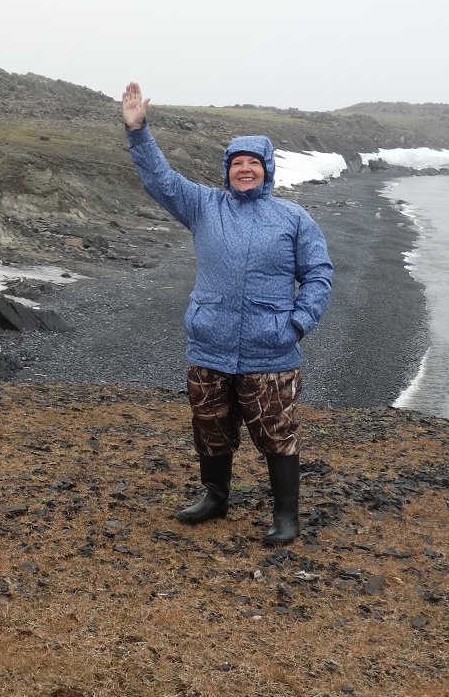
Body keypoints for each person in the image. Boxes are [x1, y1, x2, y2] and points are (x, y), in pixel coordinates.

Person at [122, 81, 333, 545]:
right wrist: (137, 131)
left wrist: (298, 323)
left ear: (266, 170)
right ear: (227, 170)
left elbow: (319, 275)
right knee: (210, 427)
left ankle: (286, 515)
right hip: (209, 346)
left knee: (277, 432)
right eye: (237, 163)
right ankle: (215, 497)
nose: (244, 170)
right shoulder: (203, 206)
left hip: (271, 349)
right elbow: (160, 179)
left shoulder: (294, 218)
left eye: (253, 163)